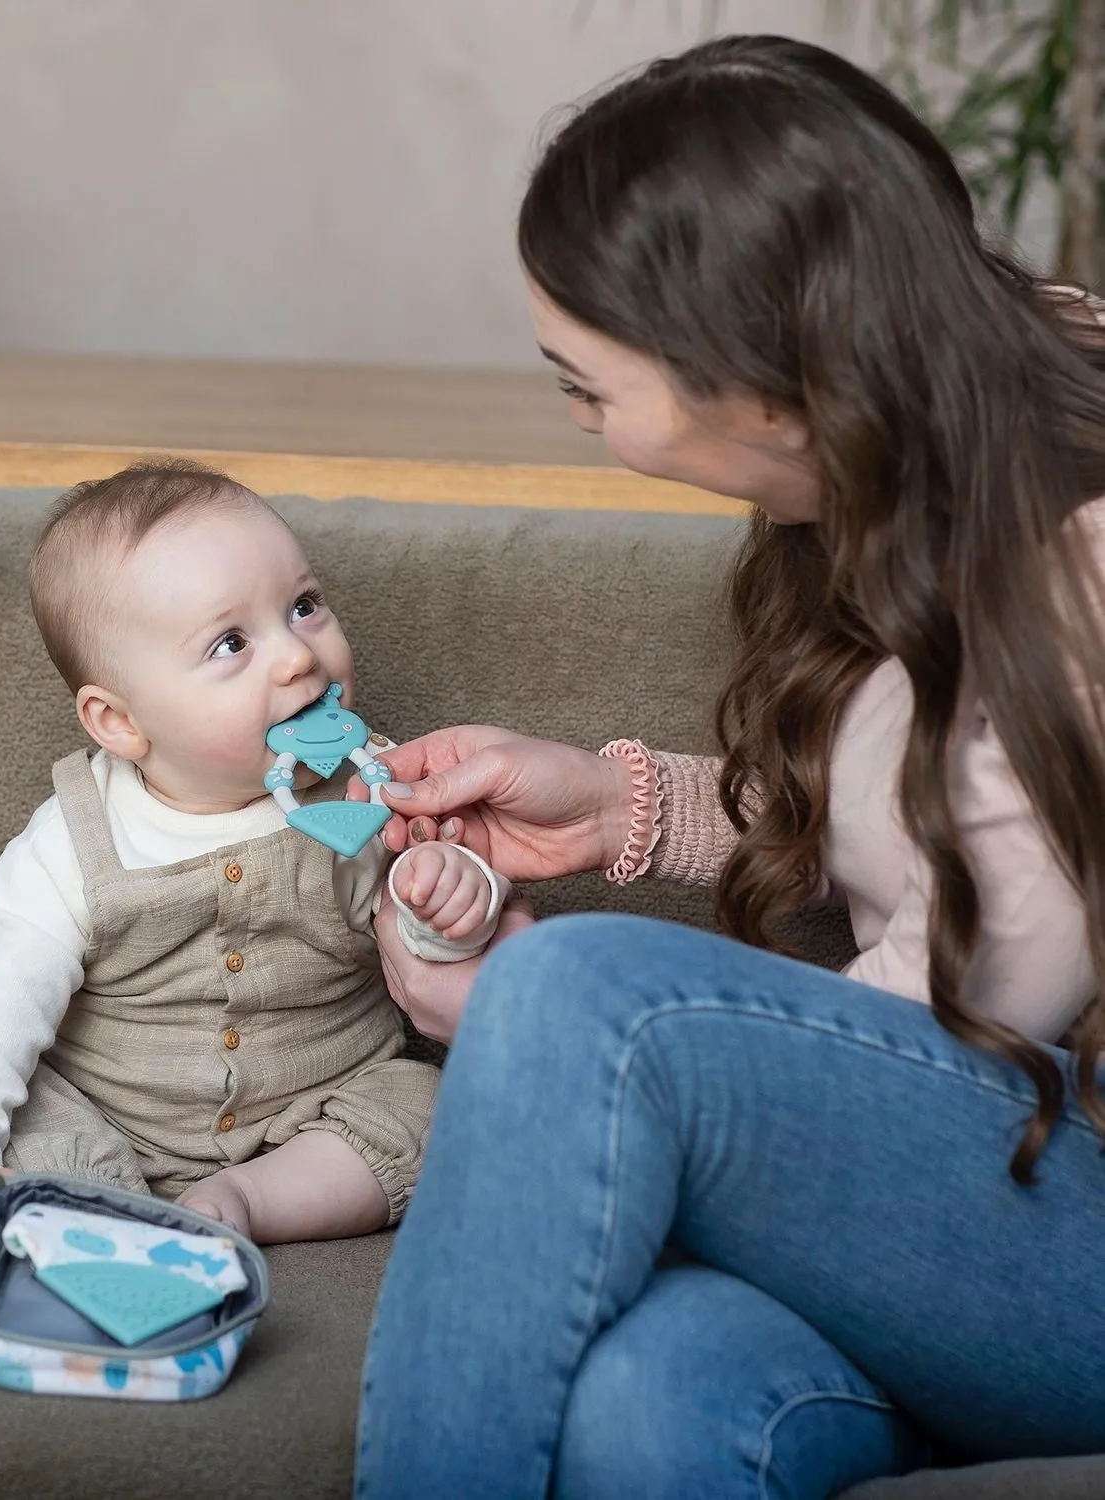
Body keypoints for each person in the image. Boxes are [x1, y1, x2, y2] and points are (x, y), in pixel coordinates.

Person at [353, 34, 1105, 1498]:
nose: (573, 415)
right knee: (649, 1398)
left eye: (587, 385)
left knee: (579, 1001)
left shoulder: (1082, 558)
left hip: (1060, 1205)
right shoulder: (937, 446)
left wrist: (525, 1018)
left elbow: (963, 1024)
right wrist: (625, 806)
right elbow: (954, 814)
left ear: (767, 390)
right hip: (992, 1207)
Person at [0, 459, 510, 1244]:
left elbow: (434, 951)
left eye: (303, 606)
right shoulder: (71, 842)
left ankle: (248, 1203)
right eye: (231, 642)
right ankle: (103, 1211)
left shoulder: (368, 787)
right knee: (35, 1118)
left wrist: (452, 898)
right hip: (113, 1118)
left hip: (318, 1110)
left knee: (432, 1108)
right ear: (120, 722)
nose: (297, 655)